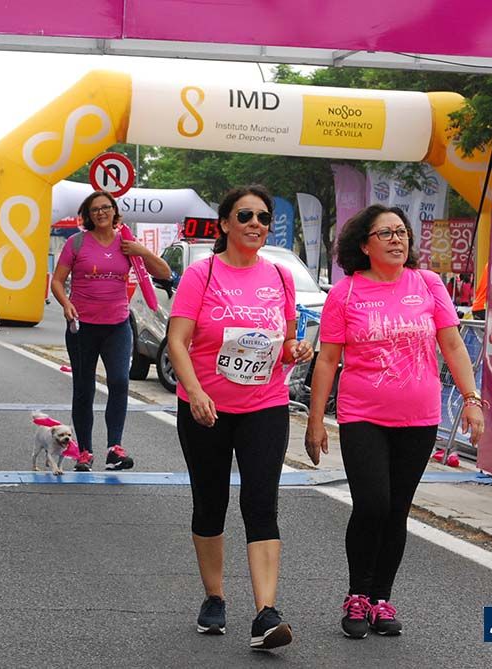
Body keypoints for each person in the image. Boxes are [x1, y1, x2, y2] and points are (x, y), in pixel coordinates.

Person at [303, 205, 485, 639]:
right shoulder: (345, 293)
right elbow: (327, 360)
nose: (396, 239)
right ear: (365, 245)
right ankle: (357, 595)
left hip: (418, 418)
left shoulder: (428, 284)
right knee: (372, 504)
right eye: (385, 233)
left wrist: (472, 399)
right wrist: (315, 420)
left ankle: (382, 599)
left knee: (397, 509)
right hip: (362, 415)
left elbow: (454, 346)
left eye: (401, 232)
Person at [166, 185, 312, 651]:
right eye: (245, 215)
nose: (255, 224)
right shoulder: (201, 275)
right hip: (207, 408)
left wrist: (296, 349)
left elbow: (285, 342)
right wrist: (195, 392)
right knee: (210, 503)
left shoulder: (281, 278)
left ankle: (266, 614)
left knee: (261, 502)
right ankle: (214, 597)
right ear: (225, 223)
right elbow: (176, 341)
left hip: (264, 405)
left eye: (263, 218)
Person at [50, 190, 171, 472]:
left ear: (115, 212)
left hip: (117, 326)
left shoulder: (127, 244)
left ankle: (114, 448)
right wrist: (66, 304)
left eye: (106, 208)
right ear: (88, 215)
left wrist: (141, 251)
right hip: (82, 327)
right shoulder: (76, 243)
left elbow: (164, 272)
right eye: (95, 209)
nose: (101, 213)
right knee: (83, 388)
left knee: (119, 381)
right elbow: (57, 281)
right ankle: (84, 452)